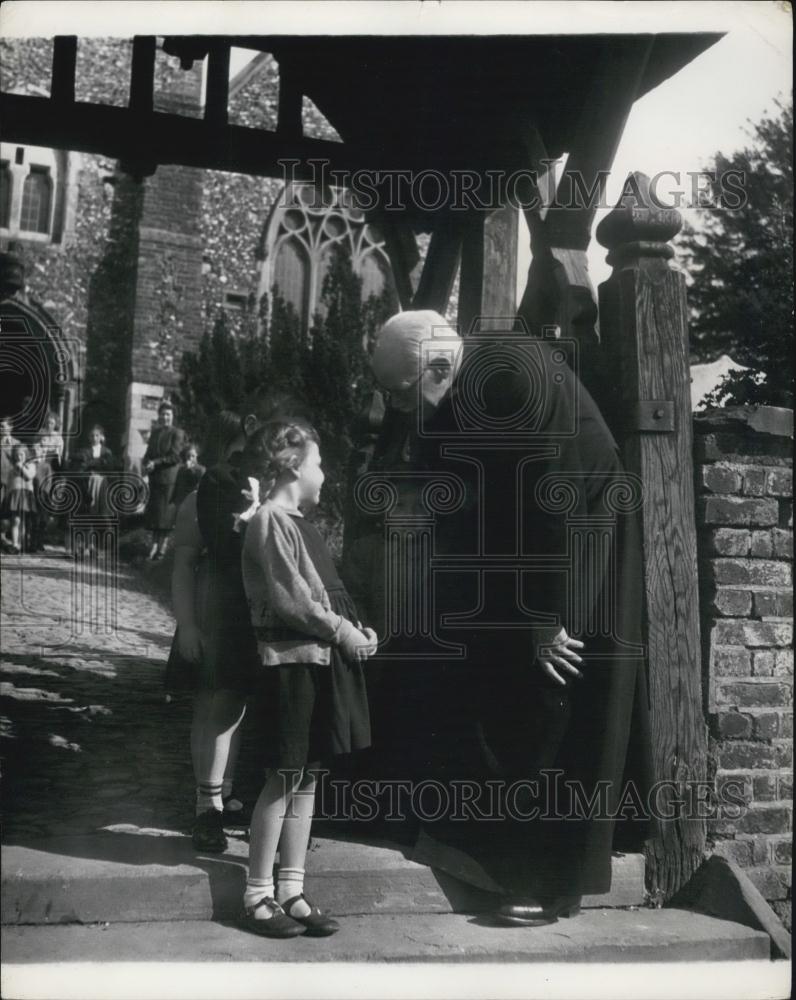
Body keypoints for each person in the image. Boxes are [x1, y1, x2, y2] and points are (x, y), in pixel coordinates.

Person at [365, 309, 656, 927]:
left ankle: (545, 881)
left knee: (548, 685)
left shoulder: (511, 375)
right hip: (523, 545)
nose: (396, 408)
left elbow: (552, 497)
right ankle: (471, 835)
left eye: (400, 394)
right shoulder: (455, 387)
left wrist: (545, 619)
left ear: (439, 367)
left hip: (575, 536)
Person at [239, 419, 377, 939]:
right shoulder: (271, 521)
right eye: (318, 464)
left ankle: (292, 889)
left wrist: (355, 629)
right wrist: (343, 630)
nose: (324, 476)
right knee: (283, 774)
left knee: (307, 776)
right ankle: (257, 893)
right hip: (288, 666)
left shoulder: (302, 524)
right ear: (294, 465)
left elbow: (324, 592)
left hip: (316, 664)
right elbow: (292, 600)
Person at [188, 390, 313, 854]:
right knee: (225, 704)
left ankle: (246, 803)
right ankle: (208, 806)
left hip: (270, 606)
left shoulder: (282, 490)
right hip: (232, 608)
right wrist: (253, 515)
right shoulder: (220, 479)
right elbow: (221, 543)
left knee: (259, 709)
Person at [165, 411, 250, 844]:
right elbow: (182, 570)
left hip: (242, 617)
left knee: (234, 709)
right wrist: (189, 627)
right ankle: (207, 805)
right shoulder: (199, 499)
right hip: (211, 616)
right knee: (212, 709)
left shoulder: (255, 494)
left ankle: (226, 796)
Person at [143, 400, 185, 561]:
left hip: (169, 479)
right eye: (162, 414)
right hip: (155, 478)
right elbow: (149, 452)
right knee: (155, 514)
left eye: (168, 414)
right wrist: (146, 462)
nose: (164, 417)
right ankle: (153, 546)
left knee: (165, 515)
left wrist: (156, 463)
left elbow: (175, 456)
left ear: (172, 416)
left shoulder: (177, 433)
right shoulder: (155, 433)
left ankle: (162, 547)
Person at [5, 443, 37, 553]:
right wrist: (8, 495)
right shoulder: (12, 468)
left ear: (26, 455)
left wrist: (22, 466)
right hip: (15, 495)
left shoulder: (31, 465)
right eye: (17, 455)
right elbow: (9, 482)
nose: (19, 457)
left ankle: (23, 543)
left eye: (22, 454)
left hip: (26, 494)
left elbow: (29, 476)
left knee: (24, 521)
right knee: (15, 520)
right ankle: (14, 545)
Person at [1, 417, 21, 549]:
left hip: (11, 482)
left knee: (9, 510)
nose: (1, 429)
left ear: (11, 428)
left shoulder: (16, 443)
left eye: (4, 426)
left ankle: (7, 538)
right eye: (0, 426)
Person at [171, 442, 205, 512]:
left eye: (193, 456)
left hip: (192, 500)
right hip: (180, 500)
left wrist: (190, 469)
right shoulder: (181, 469)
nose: (190, 458)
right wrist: (173, 500)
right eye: (188, 456)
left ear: (197, 456)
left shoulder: (201, 469)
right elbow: (177, 485)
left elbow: (200, 485)